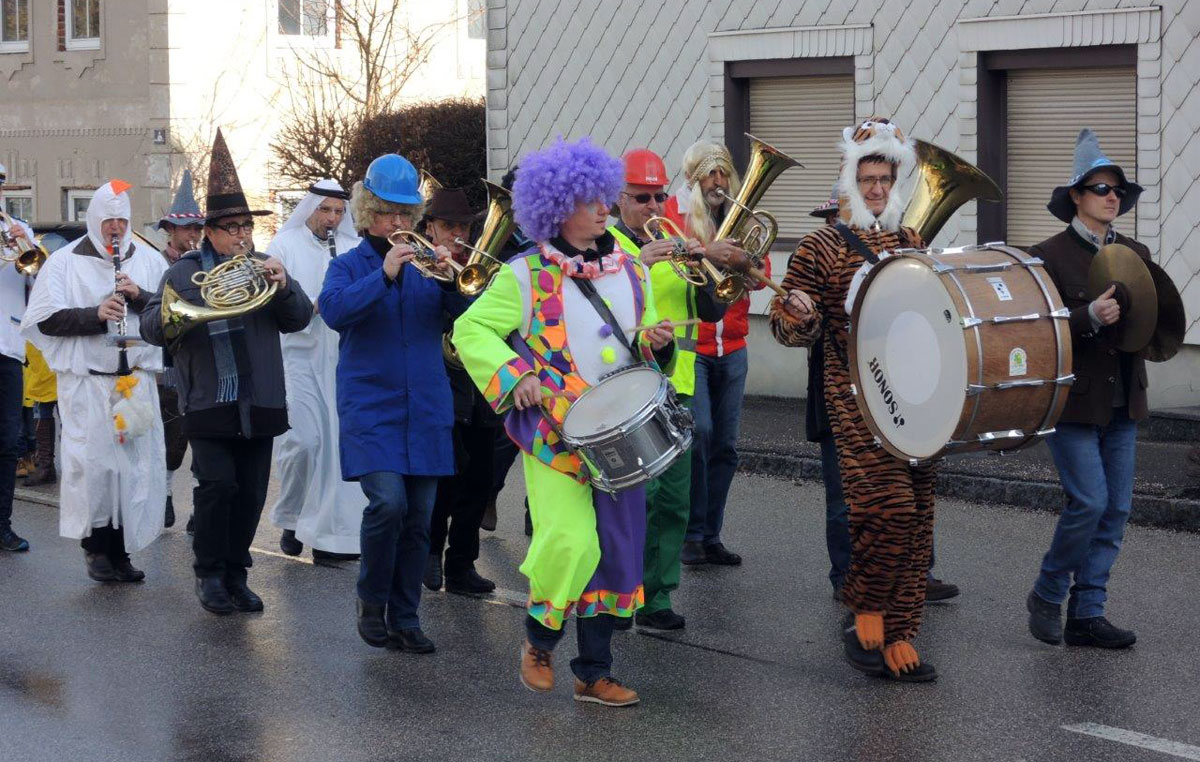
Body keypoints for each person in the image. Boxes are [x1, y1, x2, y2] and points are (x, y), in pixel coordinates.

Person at [455, 137, 675, 707]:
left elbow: (643, 343)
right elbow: (470, 331)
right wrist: (512, 375)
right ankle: (539, 640)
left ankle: (593, 672)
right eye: (587, 200)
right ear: (556, 206)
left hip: (619, 432)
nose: (602, 208)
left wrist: (656, 343)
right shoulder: (523, 274)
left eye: (604, 197)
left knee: (618, 549)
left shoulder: (631, 270)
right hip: (556, 433)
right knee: (571, 542)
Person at [769, 118, 938, 682]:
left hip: (916, 398)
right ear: (849, 179)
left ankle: (901, 632)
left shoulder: (911, 242)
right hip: (854, 398)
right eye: (866, 178)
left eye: (885, 178)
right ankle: (865, 608)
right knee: (884, 511)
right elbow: (787, 326)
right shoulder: (820, 245)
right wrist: (799, 315)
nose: (876, 189)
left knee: (918, 522)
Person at [141, 129, 311, 614]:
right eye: (232, 227)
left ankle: (237, 572)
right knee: (217, 488)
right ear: (210, 231)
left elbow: (297, 319)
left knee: (252, 493)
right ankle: (209, 573)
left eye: (246, 226)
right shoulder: (183, 274)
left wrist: (284, 285)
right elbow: (155, 324)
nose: (242, 235)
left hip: (260, 396)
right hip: (210, 398)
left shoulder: (264, 268)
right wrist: (189, 307)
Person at [319, 154, 461, 654]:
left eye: (405, 213)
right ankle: (371, 600)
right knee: (388, 504)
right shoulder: (347, 265)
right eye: (386, 213)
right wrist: (383, 275)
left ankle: (406, 616)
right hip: (372, 406)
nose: (398, 224)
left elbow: (468, 317)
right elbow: (335, 312)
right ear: (367, 214)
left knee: (420, 518)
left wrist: (453, 275)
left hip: (424, 406)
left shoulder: (427, 263)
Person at [1025, 128, 1150, 650]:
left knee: (1116, 509)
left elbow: (1153, 324)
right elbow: (1036, 331)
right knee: (1089, 502)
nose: (1111, 197)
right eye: (1100, 188)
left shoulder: (1136, 251)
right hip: (1073, 402)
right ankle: (1049, 591)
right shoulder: (1047, 255)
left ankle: (1088, 612)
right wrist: (1087, 317)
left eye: (1117, 189)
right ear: (1076, 196)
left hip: (1123, 399)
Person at [805, 186, 959, 604]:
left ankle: (917, 573)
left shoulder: (897, 247)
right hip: (839, 390)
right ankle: (846, 578)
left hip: (895, 384)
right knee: (845, 495)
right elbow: (804, 329)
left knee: (911, 486)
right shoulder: (823, 258)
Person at [21, 180, 168, 580]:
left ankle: (123, 551)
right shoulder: (65, 262)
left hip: (133, 381)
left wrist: (138, 297)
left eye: (121, 220)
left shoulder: (151, 261)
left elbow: (170, 314)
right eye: (108, 221)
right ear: (94, 220)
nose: (115, 229)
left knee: (132, 469)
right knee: (96, 467)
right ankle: (97, 549)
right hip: (88, 383)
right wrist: (94, 314)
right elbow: (45, 320)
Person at [608, 148, 726, 631]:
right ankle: (616, 594)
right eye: (642, 197)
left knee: (673, 500)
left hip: (676, 386)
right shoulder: (607, 245)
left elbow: (713, 313)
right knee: (630, 500)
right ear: (620, 199)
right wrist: (639, 260)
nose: (654, 207)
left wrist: (703, 269)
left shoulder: (677, 238)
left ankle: (656, 596)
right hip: (624, 388)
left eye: (659, 196)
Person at [662, 141, 763, 567]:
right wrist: (709, 252)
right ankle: (692, 532)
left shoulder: (740, 216)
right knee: (699, 435)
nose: (718, 182)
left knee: (726, 446)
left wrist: (745, 261)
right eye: (710, 174)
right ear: (693, 178)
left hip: (734, 345)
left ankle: (712, 536)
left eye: (724, 174)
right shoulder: (672, 214)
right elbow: (669, 261)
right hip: (695, 347)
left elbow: (760, 276)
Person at [266, 179, 364, 563]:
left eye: (339, 212)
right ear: (310, 209)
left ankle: (334, 536)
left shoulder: (352, 248)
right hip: (299, 359)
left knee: (338, 450)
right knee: (304, 443)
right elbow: (275, 299)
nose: (333, 218)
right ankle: (292, 516)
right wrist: (312, 305)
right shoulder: (284, 246)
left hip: (342, 360)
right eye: (326, 210)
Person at [421, 187, 500, 595]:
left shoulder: (482, 268)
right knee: (445, 476)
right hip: (441, 385)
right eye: (448, 226)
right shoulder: (421, 267)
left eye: (463, 226)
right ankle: (430, 554)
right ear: (430, 227)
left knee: (480, 479)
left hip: (480, 386)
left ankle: (462, 565)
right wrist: (444, 278)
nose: (456, 234)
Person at [155, 169, 204, 529]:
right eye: (187, 229)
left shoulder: (204, 266)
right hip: (166, 366)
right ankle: (167, 494)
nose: (193, 235)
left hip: (201, 363)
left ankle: (201, 507)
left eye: (197, 229)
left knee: (204, 442)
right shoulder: (155, 264)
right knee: (172, 442)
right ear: (171, 230)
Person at [0, 162, 33, 552]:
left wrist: (27, 245)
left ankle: (2, 524)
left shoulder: (14, 231)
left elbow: (37, 280)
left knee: (8, 441)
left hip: (7, 346)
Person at [22, 341, 57, 487]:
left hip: (56, 362)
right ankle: (46, 467)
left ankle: (50, 468)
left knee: (69, 423)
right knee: (42, 415)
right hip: (39, 365)